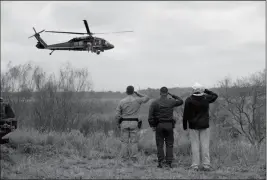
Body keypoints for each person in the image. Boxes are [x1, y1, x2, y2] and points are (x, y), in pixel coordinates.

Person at [183, 83, 218, 171]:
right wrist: (206, 90)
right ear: (200, 90)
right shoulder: (206, 98)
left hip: (193, 126)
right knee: (205, 145)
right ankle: (206, 165)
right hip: (204, 125)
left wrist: (184, 126)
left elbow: (185, 114)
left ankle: (195, 165)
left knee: (195, 145)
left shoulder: (189, 100)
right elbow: (215, 95)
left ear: (193, 90)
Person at [148, 87, 183, 168]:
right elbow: (181, 101)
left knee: (159, 145)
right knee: (169, 144)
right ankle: (169, 163)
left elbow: (150, 117)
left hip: (159, 125)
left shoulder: (154, 102)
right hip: (169, 125)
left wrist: (153, 126)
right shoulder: (171, 101)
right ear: (167, 93)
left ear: (160, 93)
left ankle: (161, 162)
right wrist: (173, 95)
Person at [115, 85, 150, 161]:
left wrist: (118, 124)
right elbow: (147, 98)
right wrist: (138, 94)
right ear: (133, 92)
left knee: (124, 142)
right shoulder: (137, 100)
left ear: (126, 91)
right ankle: (134, 158)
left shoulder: (122, 101)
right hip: (134, 122)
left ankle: (124, 158)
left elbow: (117, 115)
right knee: (134, 142)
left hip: (124, 122)